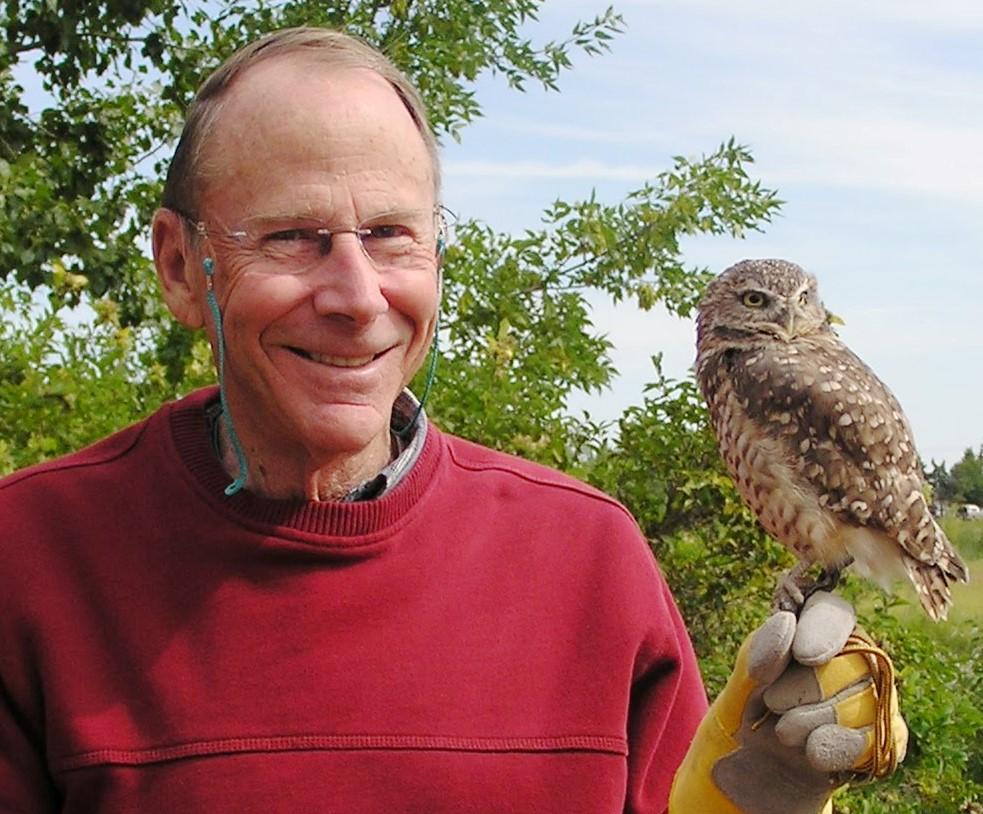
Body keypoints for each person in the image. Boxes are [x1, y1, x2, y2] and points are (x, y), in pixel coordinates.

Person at [0, 27, 905, 813]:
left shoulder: (588, 558)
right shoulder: (32, 557)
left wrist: (766, 806)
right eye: (291, 238)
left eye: (391, 235)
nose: (357, 297)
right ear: (176, 264)